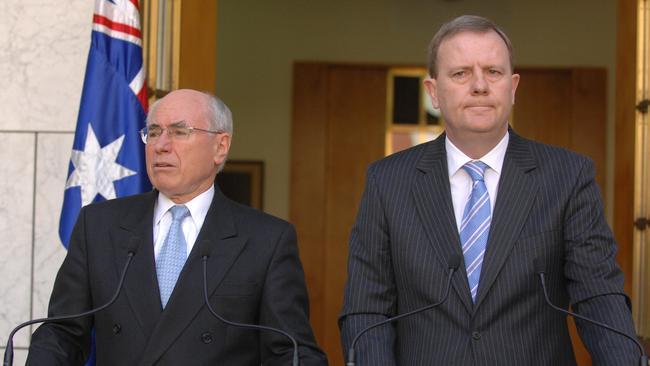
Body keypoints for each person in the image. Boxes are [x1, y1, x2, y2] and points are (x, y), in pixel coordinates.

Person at [339, 15, 640, 365]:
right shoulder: (387, 182)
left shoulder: (567, 176)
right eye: (461, 73)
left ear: (512, 87)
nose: (480, 85)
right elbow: (367, 310)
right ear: (433, 92)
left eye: (493, 72)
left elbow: (598, 297)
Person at [27, 89, 328, 366]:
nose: (161, 145)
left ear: (220, 147)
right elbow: (62, 333)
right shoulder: (99, 226)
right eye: (154, 132)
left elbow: (290, 351)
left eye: (179, 132)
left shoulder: (266, 240)